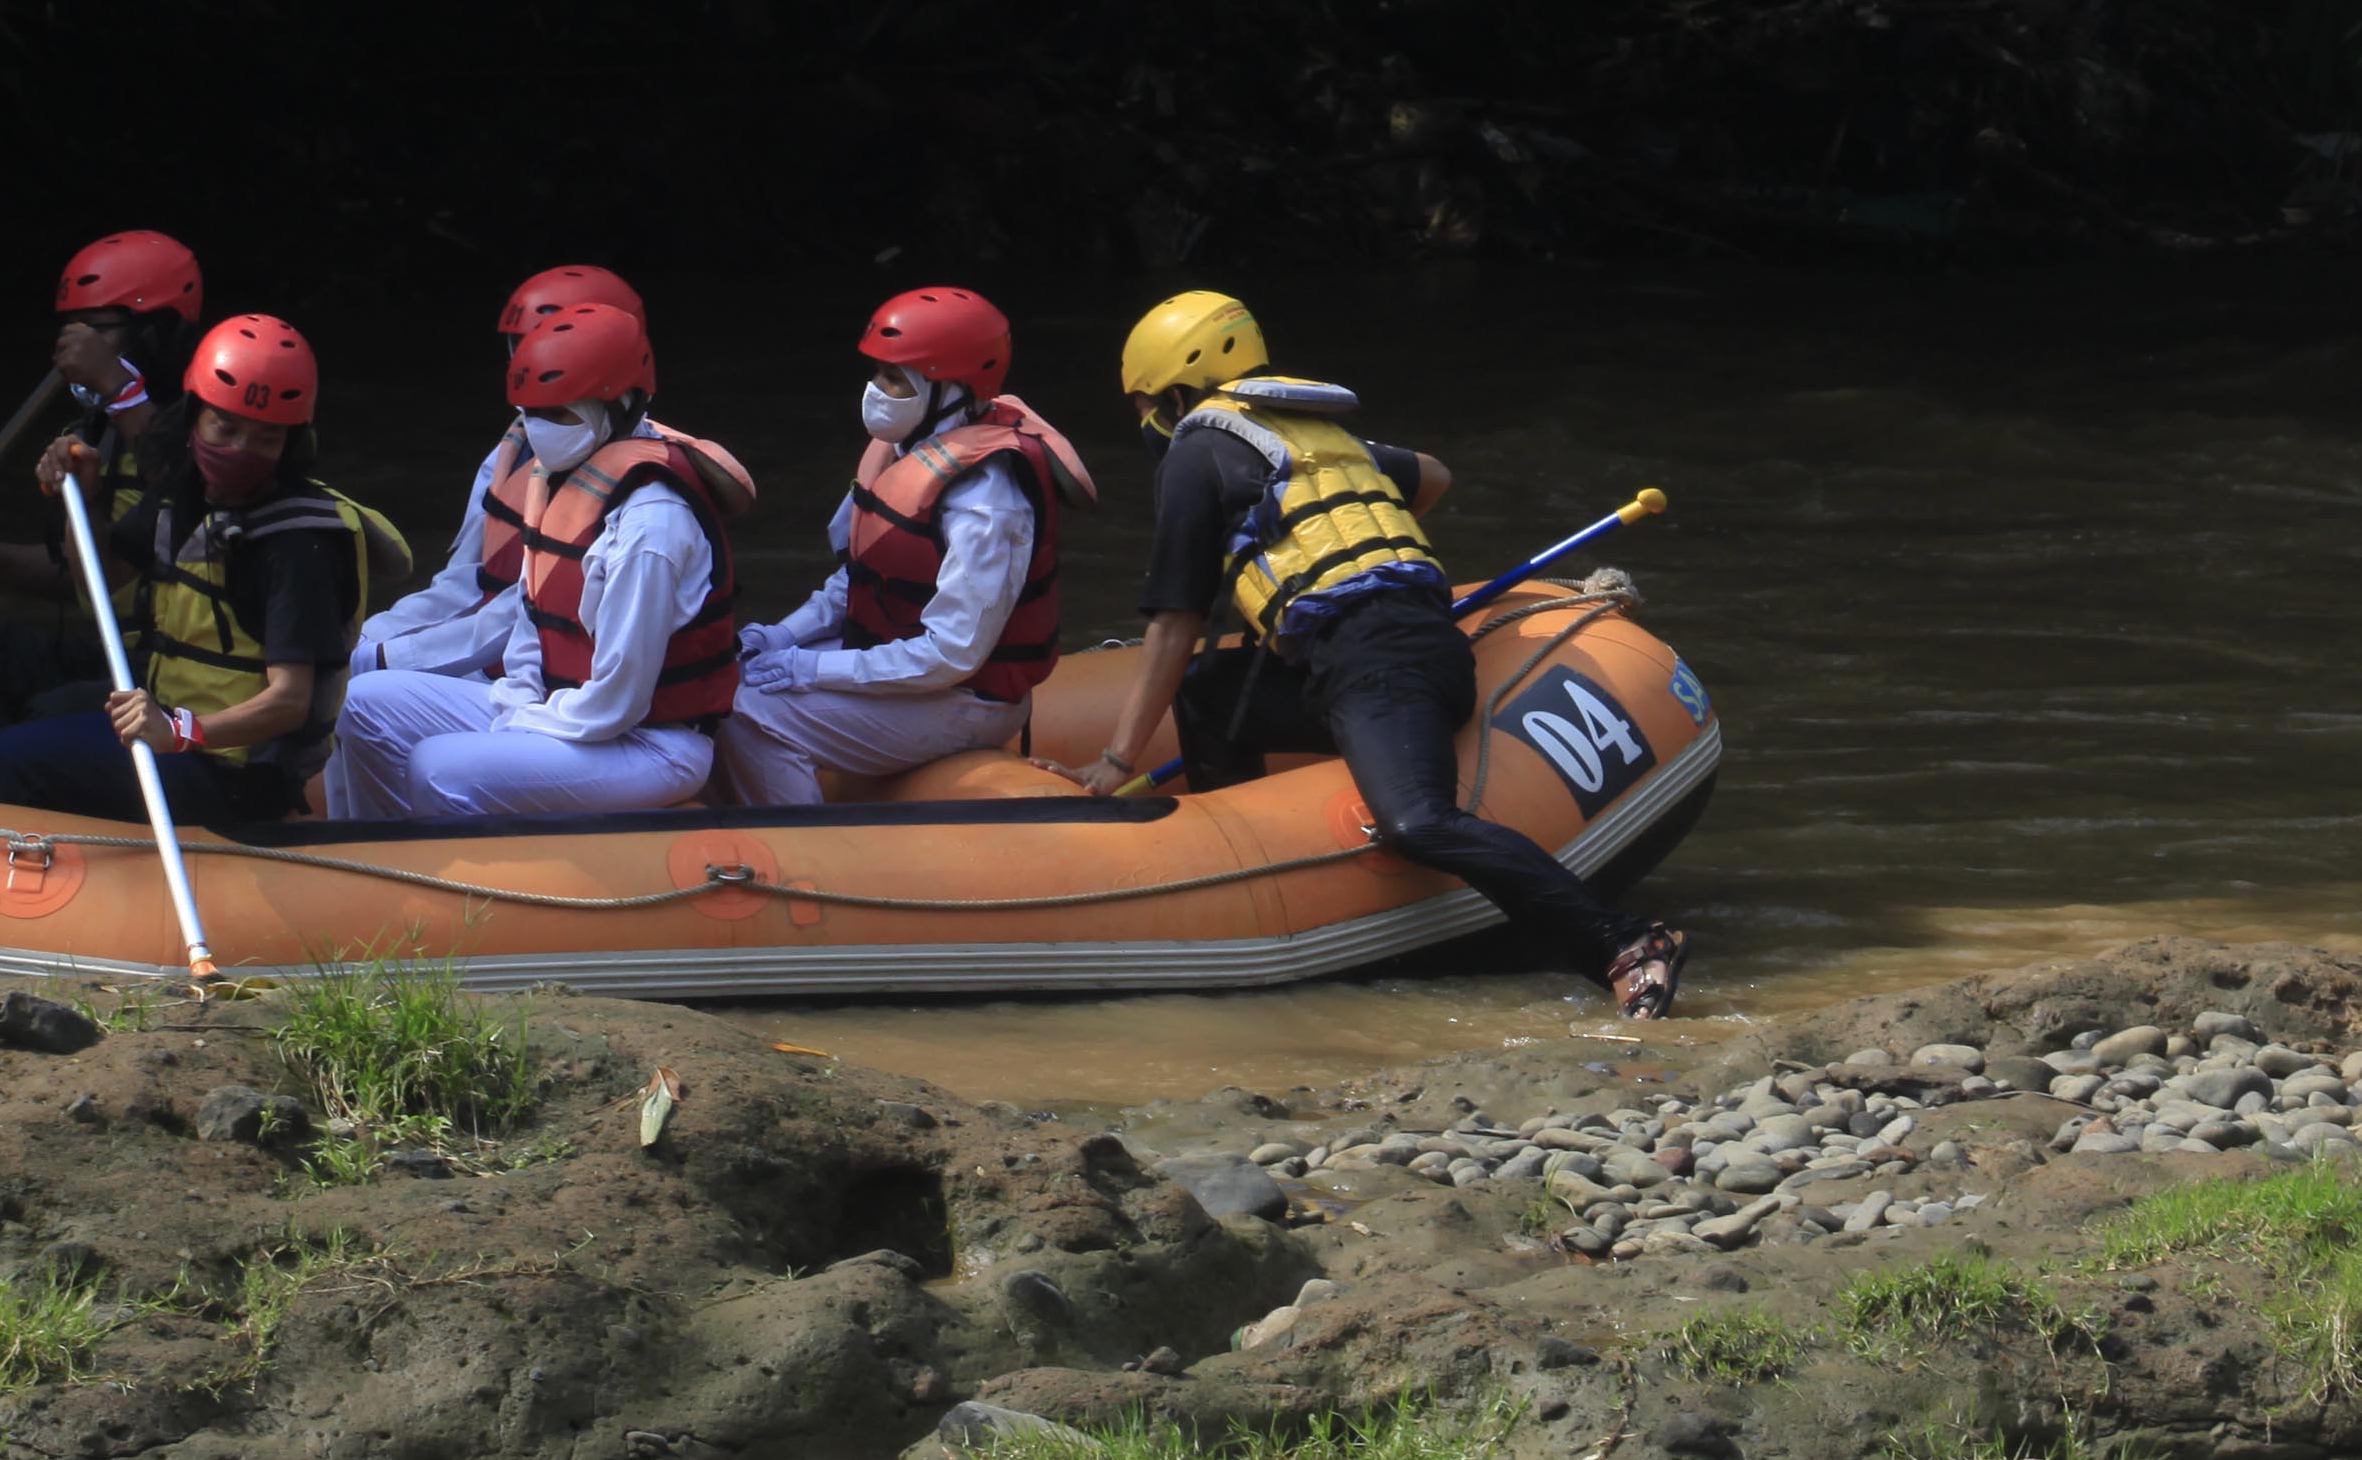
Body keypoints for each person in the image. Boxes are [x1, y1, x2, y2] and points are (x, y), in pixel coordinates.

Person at [1061, 287, 1682, 1017]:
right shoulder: (1309, 434)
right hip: (1383, 649)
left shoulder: (1195, 452)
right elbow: (1433, 473)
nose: (1147, 422)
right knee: (1209, 690)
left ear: (1174, 393)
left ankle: (1625, 941)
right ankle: (1244, 865)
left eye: (1145, 406)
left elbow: (1174, 621)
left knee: (1417, 824)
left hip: (1384, 664)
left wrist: (1116, 761)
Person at [323, 284, 755, 820]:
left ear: (622, 405)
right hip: (557, 710)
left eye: (562, 415)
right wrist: (517, 702)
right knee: (360, 702)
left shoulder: (651, 524)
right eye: (531, 413)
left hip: (647, 742)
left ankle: (447, 866)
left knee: (438, 766)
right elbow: (530, 629)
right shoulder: (554, 479)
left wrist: (521, 724)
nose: (540, 430)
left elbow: (617, 700)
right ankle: (376, 856)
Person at [0, 315, 416, 830]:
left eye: (266, 438)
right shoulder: (186, 492)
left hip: (237, 774)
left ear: (292, 444)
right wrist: (86, 496)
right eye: (225, 428)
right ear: (194, 416)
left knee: (13, 758)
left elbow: (290, 702)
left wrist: (182, 732)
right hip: (175, 728)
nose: (240, 451)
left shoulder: (298, 543)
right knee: (42, 711)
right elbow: (99, 579)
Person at [718, 286, 1095, 805]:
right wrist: (782, 636)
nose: (876, 389)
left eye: (894, 378)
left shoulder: (988, 502)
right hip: (898, 666)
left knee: (750, 713)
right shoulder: (905, 448)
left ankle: (806, 849)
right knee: (728, 679)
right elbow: (858, 578)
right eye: (877, 373)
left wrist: (811, 669)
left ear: (952, 388)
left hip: (966, 698)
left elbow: (951, 654)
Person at [0, 229, 205, 765]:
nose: (76, 350)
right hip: (112, 652)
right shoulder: (95, 430)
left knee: (45, 715)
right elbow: (84, 578)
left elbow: (192, 496)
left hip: (174, 669)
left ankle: (17, 776)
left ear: (157, 331)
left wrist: (120, 389)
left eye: (98, 331)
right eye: (72, 332)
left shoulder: (211, 426)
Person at [351, 262, 650, 680]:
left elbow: (527, 611)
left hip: (555, 686)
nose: (534, 361)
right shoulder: (517, 446)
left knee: (357, 692)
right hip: (495, 663)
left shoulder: (641, 490)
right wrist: (367, 638)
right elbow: (465, 582)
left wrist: (382, 659)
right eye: (522, 345)